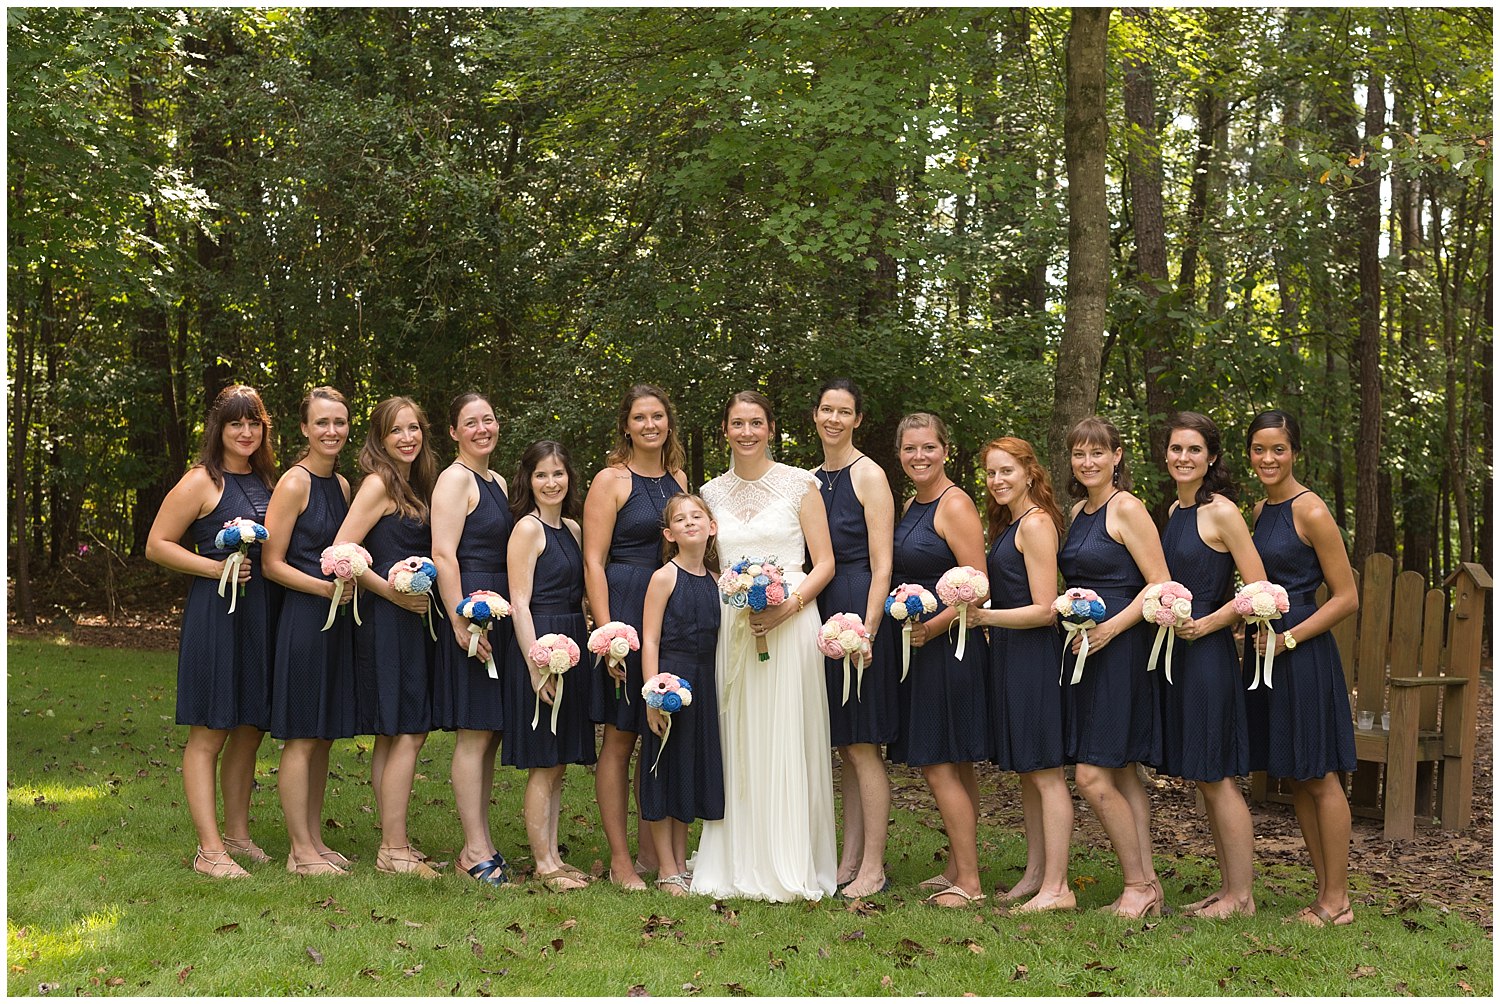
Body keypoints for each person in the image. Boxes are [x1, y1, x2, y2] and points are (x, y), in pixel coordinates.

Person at [691, 391, 837, 901]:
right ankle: (738, 859)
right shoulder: (709, 492)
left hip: (793, 620)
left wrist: (787, 606)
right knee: (740, 735)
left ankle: (793, 860)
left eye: (756, 422)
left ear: (771, 428)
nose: (747, 431)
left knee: (787, 733)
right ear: (726, 430)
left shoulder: (803, 484)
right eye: (737, 423)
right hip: (735, 625)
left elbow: (825, 564)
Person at [145, 384, 279, 877]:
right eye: (235, 424)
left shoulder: (268, 479)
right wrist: (212, 566)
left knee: (248, 728)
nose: (245, 432)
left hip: (260, 614)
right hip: (216, 614)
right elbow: (157, 545)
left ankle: (238, 837)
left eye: (253, 423)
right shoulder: (202, 480)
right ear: (218, 430)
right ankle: (209, 850)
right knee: (211, 730)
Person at [1244, 409, 1358, 927]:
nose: (1269, 458)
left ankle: (1338, 902)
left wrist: (1288, 638)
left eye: (1279, 449)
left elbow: (1347, 597)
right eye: (1260, 449)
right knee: (1296, 775)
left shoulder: (1309, 510)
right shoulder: (1258, 509)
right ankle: (1323, 897)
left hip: (1303, 652)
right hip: (1267, 653)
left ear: (1295, 452)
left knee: (1319, 775)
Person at [1058, 416, 1170, 918]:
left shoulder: (1127, 508)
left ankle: (1136, 884)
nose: (1088, 462)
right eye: (1080, 454)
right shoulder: (1077, 510)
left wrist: (1111, 629)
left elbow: (1158, 582)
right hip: (1085, 651)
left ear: (1117, 456)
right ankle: (1147, 887)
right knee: (1123, 775)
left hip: (1121, 650)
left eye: (1098, 453)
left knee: (1091, 775)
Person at [1156, 412, 1265, 917]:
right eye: (1176, 449)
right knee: (1203, 774)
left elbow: (1259, 589)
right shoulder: (1171, 512)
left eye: (1194, 450)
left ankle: (1242, 896)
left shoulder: (1221, 512)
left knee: (1218, 775)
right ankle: (1226, 889)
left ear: (1212, 458)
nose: (1183, 457)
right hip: (1174, 654)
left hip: (1208, 659)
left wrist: (1210, 622)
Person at [582, 385, 689, 889]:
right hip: (624, 606)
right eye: (640, 417)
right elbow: (593, 561)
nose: (651, 425)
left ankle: (655, 854)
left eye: (659, 416)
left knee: (659, 730)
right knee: (622, 736)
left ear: (669, 422)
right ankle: (621, 860)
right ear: (626, 425)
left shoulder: (679, 480)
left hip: (668, 610)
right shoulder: (611, 481)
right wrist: (607, 633)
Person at [333, 396, 440, 878]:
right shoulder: (378, 484)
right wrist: (392, 595)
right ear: (379, 437)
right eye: (396, 430)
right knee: (408, 731)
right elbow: (341, 551)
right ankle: (393, 850)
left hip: (407, 623)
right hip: (385, 622)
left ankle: (393, 842)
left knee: (391, 734)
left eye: (413, 428)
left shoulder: (415, 484)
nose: (407, 437)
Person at [888, 412, 991, 908]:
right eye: (910, 449)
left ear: (945, 450)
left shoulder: (955, 505)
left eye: (928, 447)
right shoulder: (912, 503)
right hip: (921, 647)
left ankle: (969, 884)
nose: (919, 457)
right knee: (954, 762)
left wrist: (932, 626)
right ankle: (957, 865)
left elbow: (978, 585)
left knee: (936, 763)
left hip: (949, 647)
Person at [971, 435, 1073, 912]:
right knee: (1029, 773)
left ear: (1030, 472)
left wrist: (984, 617)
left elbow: (1045, 610)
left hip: (1033, 656)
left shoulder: (1035, 525)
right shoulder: (1009, 522)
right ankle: (1036, 874)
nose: (997, 481)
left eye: (1006, 471)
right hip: (1009, 655)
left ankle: (1059, 887)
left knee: (1047, 772)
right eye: (991, 473)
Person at [262, 387, 357, 875]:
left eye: (339, 422)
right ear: (304, 429)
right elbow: (271, 563)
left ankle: (316, 841)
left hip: (336, 620)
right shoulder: (293, 483)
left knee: (321, 736)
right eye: (322, 422)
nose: (332, 431)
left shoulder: (341, 487)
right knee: (301, 735)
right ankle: (298, 851)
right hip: (303, 619)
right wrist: (323, 591)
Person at [811, 378, 896, 901]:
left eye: (844, 411)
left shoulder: (871, 475)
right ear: (815, 415)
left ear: (858, 419)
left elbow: (883, 563)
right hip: (821, 614)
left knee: (864, 744)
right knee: (845, 742)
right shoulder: (810, 479)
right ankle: (848, 858)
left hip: (860, 613)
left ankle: (874, 866)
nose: (834, 419)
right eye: (826, 410)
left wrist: (865, 632)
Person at [503, 440, 597, 891]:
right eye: (542, 474)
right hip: (540, 644)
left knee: (559, 761)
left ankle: (555, 856)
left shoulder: (575, 530)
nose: (552, 482)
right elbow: (519, 603)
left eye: (559, 473)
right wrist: (535, 666)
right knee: (544, 761)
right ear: (529, 480)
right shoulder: (527, 529)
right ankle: (543, 864)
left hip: (573, 642)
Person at [431, 392, 513, 885]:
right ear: (455, 433)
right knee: (474, 731)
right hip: (471, 610)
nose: (482, 428)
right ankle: (473, 849)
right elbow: (444, 553)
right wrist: (460, 620)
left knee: (491, 732)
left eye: (488, 419)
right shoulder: (454, 479)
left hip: (498, 609)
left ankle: (480, 841)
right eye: (471, 422)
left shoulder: (496, 481)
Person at [638, 492, 724, 896]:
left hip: (703, 683)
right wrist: (654, 694)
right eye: (681, 519)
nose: (690, 523)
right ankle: (665, 868)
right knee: (663, 769)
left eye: (698, 516)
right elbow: (650, 638)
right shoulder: (664, 577)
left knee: (689, 767)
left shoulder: (718, 582)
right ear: (670, 534)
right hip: (669, 682)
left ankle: (680, 858)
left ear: (712, 527)